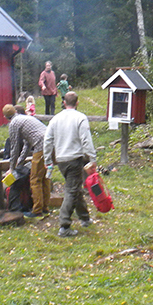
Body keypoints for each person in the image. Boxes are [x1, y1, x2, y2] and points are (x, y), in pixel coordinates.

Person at [43, 91, 97, 237]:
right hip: (75, 159)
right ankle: (64, 225)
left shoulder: (55, 119)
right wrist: (93, 159)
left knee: (75, 188)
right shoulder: (80, 118)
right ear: (77, 103)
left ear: (64, 103)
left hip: (61, 160)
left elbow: (47, 140)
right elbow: (86, 139)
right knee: (72, 191)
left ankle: (84, 218)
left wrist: (48, 160)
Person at [3, 103, 49, 217]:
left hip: (41, 146)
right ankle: (45, 208)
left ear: (6, 117)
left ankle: (37, 210)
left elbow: (14, 148)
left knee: (35, 179)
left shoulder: (13, 124)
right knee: (44, 178)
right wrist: (20, 163)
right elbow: (27, 145)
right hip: (51, 144)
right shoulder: (25, 119)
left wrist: (12, 168)